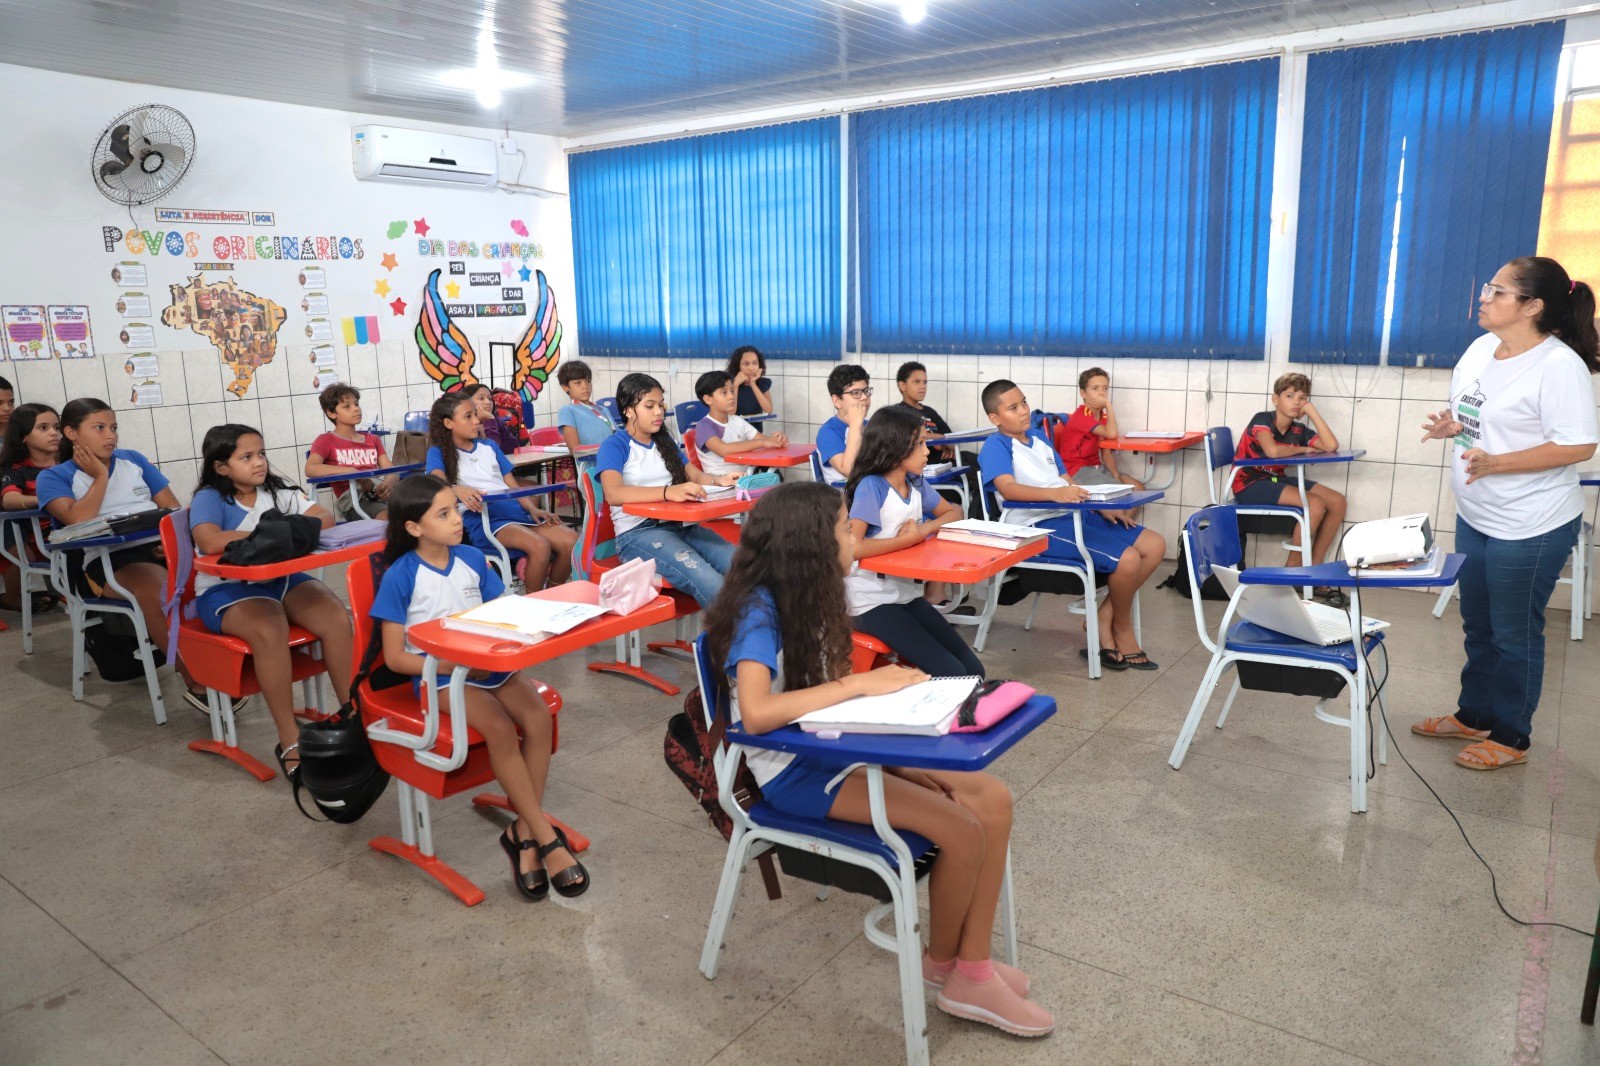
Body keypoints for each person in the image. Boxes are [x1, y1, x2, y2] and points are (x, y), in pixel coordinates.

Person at [704, 481, 1053, 1038]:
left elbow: (826, 695)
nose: (855, 539)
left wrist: (898, 756)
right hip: (798, 769)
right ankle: (953, 973)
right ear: (808, 547)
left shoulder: (811, 595)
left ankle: (971, 962)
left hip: (838, 742)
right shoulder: (759, 611)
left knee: (992, 798)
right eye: (845, 530)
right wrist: (859, 686)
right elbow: (757, 712)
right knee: (961, 830)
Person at [1413, 256, 1600, 771]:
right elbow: (1480, 415)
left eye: (1497, 290)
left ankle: (1512, 736)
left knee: (1515, 631)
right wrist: (1455, 426)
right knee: (1478, 623)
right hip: (1478, 512)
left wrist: (1500, 462)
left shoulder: (1559, 365)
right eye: (1487, 287)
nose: (1484, 296)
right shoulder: (1479, 350)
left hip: (1532, 521)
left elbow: (1579, 445)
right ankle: (1473, 714)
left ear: (1532, 306)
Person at [371, 474, 587, 899]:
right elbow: (396, 658)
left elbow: (505, 612)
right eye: (445, 513)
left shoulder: (471, 557)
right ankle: (544, 839)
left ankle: (522, 834)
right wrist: (454, 661)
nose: (458, 519)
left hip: (490, 668)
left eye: (456, 508)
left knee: (538, 719)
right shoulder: (401, 575)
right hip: (440, 679)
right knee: (502, 730)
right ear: (414, 527)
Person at [190, 425, 354, 779]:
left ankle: (353, 715)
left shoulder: (277, 490)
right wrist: (274, 533)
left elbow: (323, 517)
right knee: (269, 627)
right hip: (226, 589)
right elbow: (208, 540)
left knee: (336, 616)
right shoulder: (210, 498)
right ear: (221, 467)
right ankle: (289, 737)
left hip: (280, 580)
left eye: (261, 454)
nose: (259, 463)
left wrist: (279, 532)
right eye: (246, 457)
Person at [979, 380, 1166, 671]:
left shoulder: (1040, 439)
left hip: (1070, 513)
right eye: (1013, 408)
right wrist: (1055, 495)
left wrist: (1098, 507)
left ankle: (1104, 618)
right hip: (1036, 527)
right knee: (1128, 559)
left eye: (1024, 402)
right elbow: (1009, 489)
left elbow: (1067, 482)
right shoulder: (996, 445)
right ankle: (1121, 630)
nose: (1024, 411)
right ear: (995, 418)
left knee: (1155, 545)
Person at [37, 398, 206, 706]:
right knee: (161, 592)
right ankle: (199, 685)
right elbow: (77, 520)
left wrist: (168, 544)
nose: (110, 435)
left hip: (157, 549)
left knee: (217, 579)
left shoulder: (134, 460)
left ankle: (227, 665)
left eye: (113, 428)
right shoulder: (54, 477)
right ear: (71, 433)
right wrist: (100, 476)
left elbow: (172, 510)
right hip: (108, 561)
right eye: (99, 428)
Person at [844, 407, 983, 677]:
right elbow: (854, 548)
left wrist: (923, 530)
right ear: (895, 446)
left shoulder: (915, 482)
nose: (927, 451)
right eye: (919, 443)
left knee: (974, 670)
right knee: (954, 672)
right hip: (869, 602)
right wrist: (909, 540)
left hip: (906, 595)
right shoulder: (871, 487)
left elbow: (954, 511)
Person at [595, 372, 739, 608]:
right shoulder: (615, 445)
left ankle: (761, 631)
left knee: (743, 565)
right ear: (628, 410)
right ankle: (734, 639)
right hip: (638, 534)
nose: (659, 412)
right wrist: (668, 492)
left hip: (679, 524)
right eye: (649, 406)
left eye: (661, 405)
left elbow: (695, 475)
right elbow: (614, 493)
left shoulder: (664, 441)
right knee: (712, 583)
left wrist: (718, 480)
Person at [425, 392, 575, 590]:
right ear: (449, 423)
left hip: (515, 511)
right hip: (485, 519)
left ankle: (553, 592)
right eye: (468, 416)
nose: (477, 421)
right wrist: (455, 489)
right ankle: (534, 603)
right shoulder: (438, 452)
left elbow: (512, 485)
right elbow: (436, 481)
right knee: (540, 546)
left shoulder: (489, 446)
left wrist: (533, 510)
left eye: (475, 415)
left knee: (571, 541)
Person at [1230, 372, 1348, 600]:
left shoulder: (1298, 430)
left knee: (1337, 501)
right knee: (1314, 504)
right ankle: (1291, 574)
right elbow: (1273, 451)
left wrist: (1311, 412)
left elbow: (1331, 444)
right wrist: (1303, 450)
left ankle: (1315, 566)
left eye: (1302, 398)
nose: (1296, 402)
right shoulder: (1261, 420)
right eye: (1290, 396)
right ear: (1276, 399)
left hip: (1274, 479)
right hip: (1248, 482)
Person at [0, 402, 61, 614]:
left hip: (76, 529)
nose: (54, 433)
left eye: (56, 427)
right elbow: (10, 499)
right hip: (46, 538)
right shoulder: (16, 469)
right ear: (24, 436)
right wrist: (42, 499)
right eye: (43, 428)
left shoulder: (70, 462)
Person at [304, 384, 395, 520]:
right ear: (331, 413)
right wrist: (352, 472)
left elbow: (391, 471)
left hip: (379, 494)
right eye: (347, 406)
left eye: (356, 404)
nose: (356, 409)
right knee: (388, 517)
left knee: (417, 512)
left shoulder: (372, 439)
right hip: (354, 501)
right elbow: (311, 468)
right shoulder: (326, 440)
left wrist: (389, 484)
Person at [1055, 367, 1145, 492]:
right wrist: (1108, 404)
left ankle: (1113, 512)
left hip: (1095, 466)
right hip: (1076, 469)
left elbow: (1106, 452)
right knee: (1120, 493)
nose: (1102, 393)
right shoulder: (1082, 416)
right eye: (1095, 388)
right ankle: (1111, 512)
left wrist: (1116, 475)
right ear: (1083, 393)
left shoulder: (1103, 416)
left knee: (1138, 488)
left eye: (1105, 388)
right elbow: (1112, 434)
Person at [691, 370, 789, 477]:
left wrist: (778, 440)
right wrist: (763, 442)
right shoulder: (704, 426)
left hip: (744, 481)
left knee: (776, 480)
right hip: (719, 486)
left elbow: (764, 440)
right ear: (708, 399)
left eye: (732, 391)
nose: (731, 396)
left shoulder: (737, 421)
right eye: (724, 392)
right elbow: (724, 449)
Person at [817, 364, 872, 485]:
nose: (864, 397)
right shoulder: (828, 432)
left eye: (866, 391)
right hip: (844, 498)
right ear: (837, 401)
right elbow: (849, 470)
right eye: (856, 393)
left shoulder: (871, 425)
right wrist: (855, 426)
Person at [892, 361, 955, 459]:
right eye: (917, 382)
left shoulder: (930, 411)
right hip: (926, 464)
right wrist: (938, 437)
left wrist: (950, 446)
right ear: (902, 385)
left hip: (945, 461)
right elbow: (908, 437)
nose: (923, 386)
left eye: (925, 382)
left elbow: (950, 436)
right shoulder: (897, 412)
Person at [554, 361, 616, 452]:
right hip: (593, 464)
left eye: (588, 381)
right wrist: (605, 451)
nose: (585, 386)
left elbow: (618, 436)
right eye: (578, 383)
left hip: (615, 459)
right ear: (565, 387)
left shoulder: (603, 409)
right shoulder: (568, 410)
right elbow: (574, 448)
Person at [464, 383, 520, 454]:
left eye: (490, 399)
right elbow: (491, 452)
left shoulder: (496, 420)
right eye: (481, 398)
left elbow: (515, 447)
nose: (488, 402)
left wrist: (490, 420)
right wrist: (489, 421)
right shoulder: (465, 425)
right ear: (467, 403)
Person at [726, 345, 774, 416]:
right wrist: (735, 386)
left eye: (755, 363)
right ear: (738, 366)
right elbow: (730, 414)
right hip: (736, 426)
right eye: (746, 364)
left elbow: (769, 411)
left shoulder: (762, 383)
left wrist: (753, 384)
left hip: (756, 427)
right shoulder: (729, 383)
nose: (751, 368)